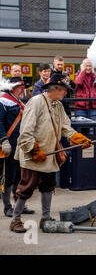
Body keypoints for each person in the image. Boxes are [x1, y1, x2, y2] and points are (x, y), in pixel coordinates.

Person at [9, 73, 92, 233]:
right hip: (32, 153)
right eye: (64, 90)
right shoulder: (36, 102)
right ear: (55, 89)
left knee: (48, 186)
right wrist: (34, 150)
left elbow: (66, 128)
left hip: (49, 153)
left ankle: (45, 218)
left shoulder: (59, 106)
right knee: (26, 187)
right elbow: (25, 132)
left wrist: (78, 138)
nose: (66, 93)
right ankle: (15, 220)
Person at [0, 77, 35, 217]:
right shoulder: (3, 101)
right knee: (7, 177)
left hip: (20, 146)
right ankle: (7, 207)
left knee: (19, 176)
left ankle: (19, 204)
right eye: (21, 87)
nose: (23, 89)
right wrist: (3, 140)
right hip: (8, 145)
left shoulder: (19, 102)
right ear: (12, 88)